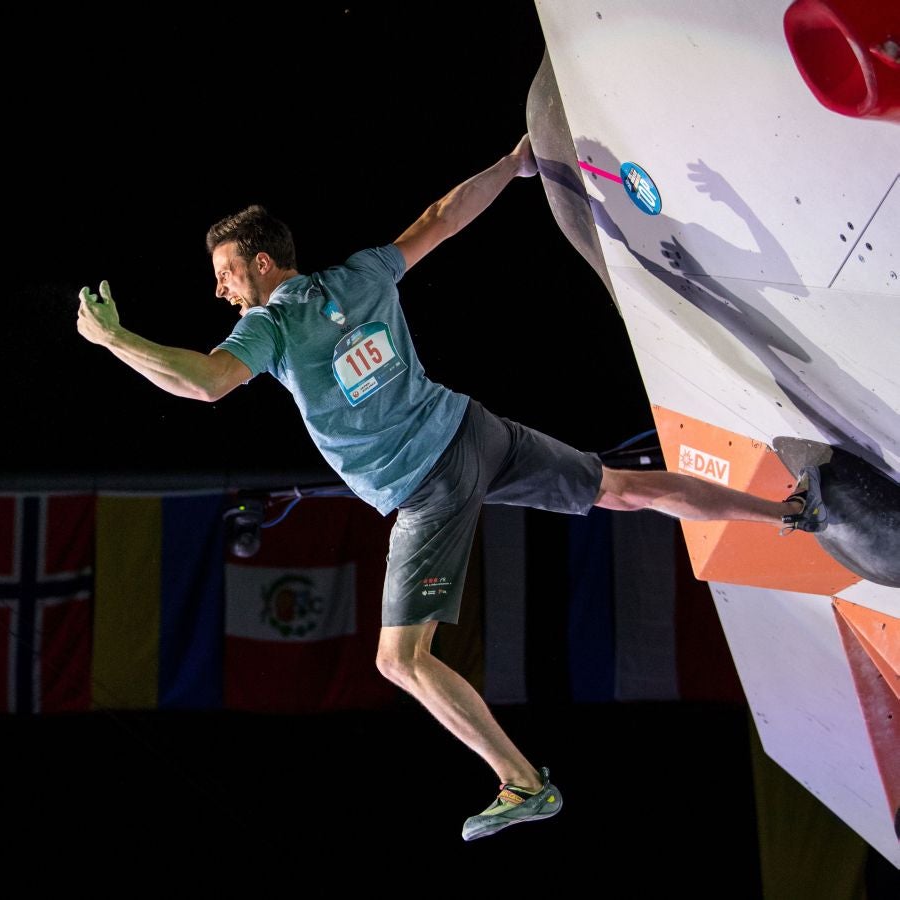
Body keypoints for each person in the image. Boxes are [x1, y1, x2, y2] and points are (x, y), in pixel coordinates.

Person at [75, 133, 824, 842]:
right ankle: (789, 509)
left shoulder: (268, 327)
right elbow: (442, 217)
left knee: (400, 660)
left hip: (427, 486)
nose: (219, 289)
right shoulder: (361, 275)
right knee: (621, 488)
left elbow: (205, 386)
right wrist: (513, 162)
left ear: (264, 264)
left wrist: (114, 341)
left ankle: (523, 781)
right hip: (474, 432)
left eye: (226, 273)